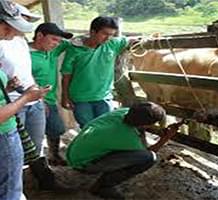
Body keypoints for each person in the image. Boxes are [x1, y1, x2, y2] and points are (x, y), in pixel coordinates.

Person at [0, 4, 56, 190]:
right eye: (24, 20)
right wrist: (23, 97)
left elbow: (24, 71)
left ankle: (40, 181)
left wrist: (35, 95)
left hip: (28, 97)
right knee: (13, 154)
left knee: (34, 145)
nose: (25, 25)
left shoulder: (20, 40)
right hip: (14, 103)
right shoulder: (2, 40)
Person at [66, 102, 169, 199]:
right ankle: (102, 187)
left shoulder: (123, 112)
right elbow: (148, 151)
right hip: (82, 164)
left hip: (73, 154)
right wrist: (165, 138)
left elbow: (139, 129)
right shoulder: (127, 138)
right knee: (149, 158)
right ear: (145, 124)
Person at [61, 16, 129, 128]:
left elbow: (135, 41)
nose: (108, 38)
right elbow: (66, 75)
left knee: (106, 128)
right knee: (88, 128)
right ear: (92, 32)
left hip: (104, 97)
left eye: (111, 34)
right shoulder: (74, 49)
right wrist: (65, 97)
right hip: (80, 98)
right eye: (105, 33)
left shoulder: (112, 44)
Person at [30, 22, 73, 165]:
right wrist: (38, 100)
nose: (57, 44)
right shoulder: (26, 55)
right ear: (39, 36)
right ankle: (36, 163)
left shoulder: (52, 50)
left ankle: (53, 155)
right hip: (32, 101)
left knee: (56, 128)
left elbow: (74, 41)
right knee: (35, 135)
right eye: (54, 39)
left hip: (50, 98)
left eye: (59, 40)